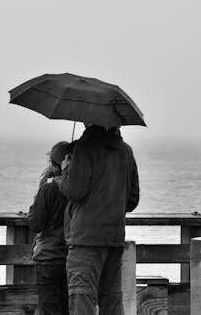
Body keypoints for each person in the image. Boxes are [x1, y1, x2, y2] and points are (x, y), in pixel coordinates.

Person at [58, 124, 139, 315]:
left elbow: (74, 191)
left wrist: (66, 171)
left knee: (82, 299)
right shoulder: (126, 151)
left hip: (85, 239)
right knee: (111, 300)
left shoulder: (85, 148)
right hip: (114, 238)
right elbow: (132, 200)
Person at [28, 141, 72, 315]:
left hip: (48, 258)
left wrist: (40, 190)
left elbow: (35, 223)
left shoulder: (49, 190)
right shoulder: (79, 190)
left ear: (54, 163)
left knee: (50, 308)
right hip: (71, 257)